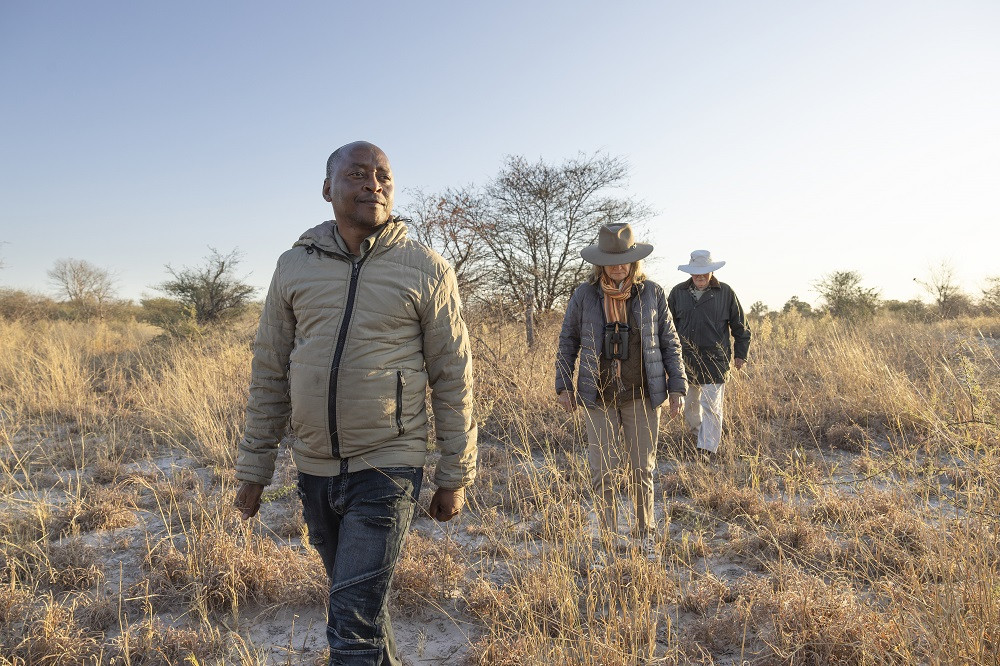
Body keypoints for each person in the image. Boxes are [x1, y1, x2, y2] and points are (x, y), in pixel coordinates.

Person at [233, 141, 477, 666]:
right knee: (363, 611)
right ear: (327, 189)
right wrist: (254, 471)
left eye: (384, 176)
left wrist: (454, 475)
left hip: (390, 464)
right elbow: (270, 370)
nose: (374, 184)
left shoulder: (426, 268)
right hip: (315, 467)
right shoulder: (293, 266)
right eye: (358, 174)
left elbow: (453, 377)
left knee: (350, 621)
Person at [555, 223, 687, 561]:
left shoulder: (653, 293)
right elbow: (567, 340)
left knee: (642, 469)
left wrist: (677, 387)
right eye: (611, 260)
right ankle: (609, 538)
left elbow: (670, 342)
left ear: (633, 261)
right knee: (602, 471)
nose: (618, 266)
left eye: (624, 260)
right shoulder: (584, 295)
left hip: (642, 394)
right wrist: (563, 385)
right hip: (597, 394)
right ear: (600, 263)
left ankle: (645, 536)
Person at [667, 250, 751, 457]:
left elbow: (740, 326)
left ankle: (707, 449)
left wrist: (740, 354)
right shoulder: (678, 293)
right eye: (696, 274)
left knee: (711, 406)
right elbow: (667, 327)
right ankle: (699, 437)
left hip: (715, 359)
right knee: (691, 408)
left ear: (711, 272)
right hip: (685, 359)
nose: (700, 277)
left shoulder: (726, 292)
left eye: (704, 273)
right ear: (691, 273)